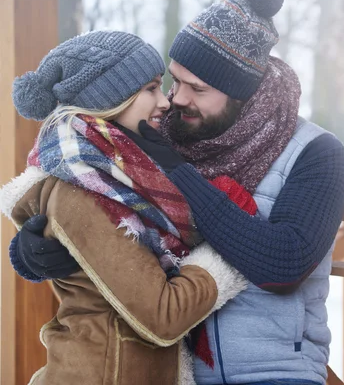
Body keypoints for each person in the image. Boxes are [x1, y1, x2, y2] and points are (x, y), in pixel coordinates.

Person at [12, 0, 344, 383]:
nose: (176, 99)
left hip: (273, 369)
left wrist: (178, 172)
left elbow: (283, 266)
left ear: (246, 92)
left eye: (199, 89)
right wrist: (33, 250)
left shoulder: (315, 152)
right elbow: (100, 208)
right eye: (175, 80)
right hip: (174, 370)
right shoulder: (160, 133)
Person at [0, 30, 250, 385]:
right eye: (150, 88)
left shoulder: (126, 173)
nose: (165, 101)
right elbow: (163, 316)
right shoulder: (86, 187)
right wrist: (224, 255)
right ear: (111, 98)